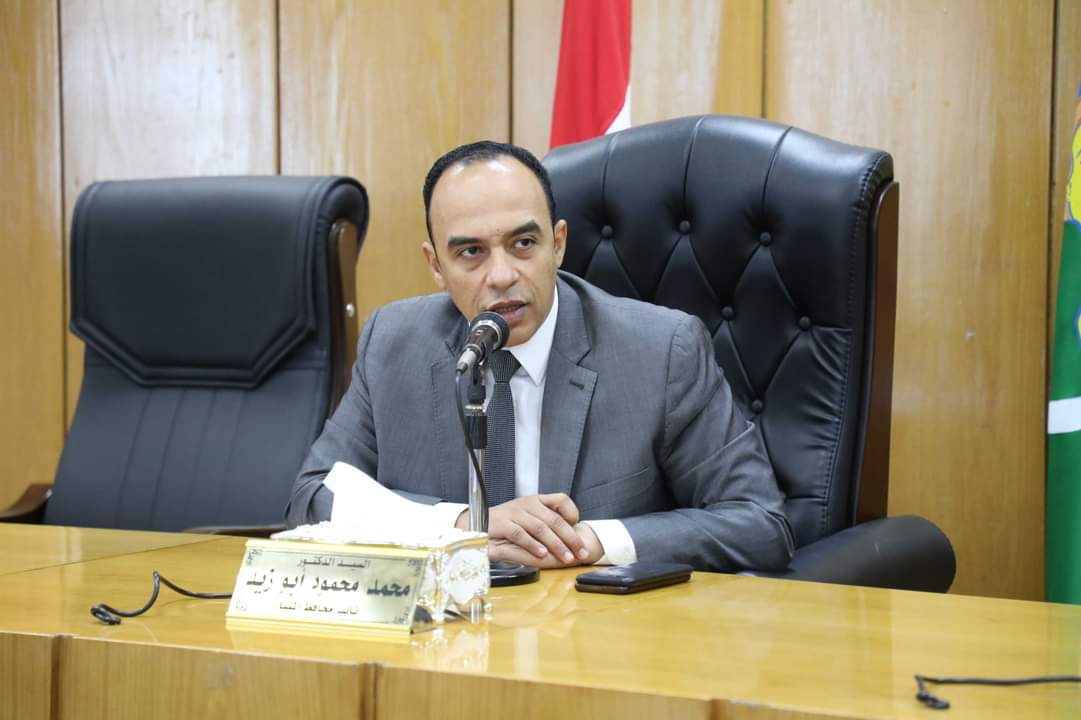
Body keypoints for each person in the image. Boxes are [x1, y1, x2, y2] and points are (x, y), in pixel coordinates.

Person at [286, 141, 794, 572]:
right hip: (446, 637)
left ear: (559, 243)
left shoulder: (662, 351)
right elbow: (312, 497)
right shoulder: (394, 343)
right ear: (435, 266)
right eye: (471, 253)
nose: (502, 275)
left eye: (524, 243)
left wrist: (593, 541)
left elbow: (760, 522)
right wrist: (465, 526)